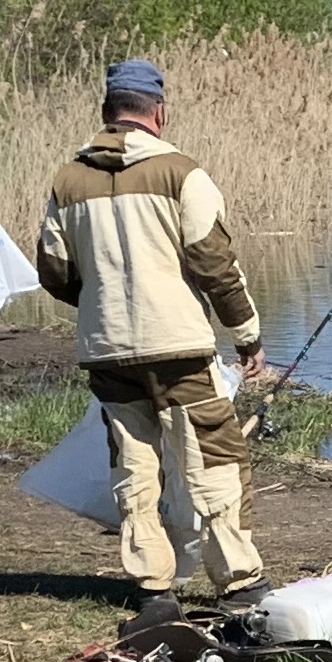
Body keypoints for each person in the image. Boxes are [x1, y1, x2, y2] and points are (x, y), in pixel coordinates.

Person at [36, 58, 269, 629]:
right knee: (214, 457)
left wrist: (102, 304)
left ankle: (153, 587)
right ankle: (239, 583)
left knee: (134, 462)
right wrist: (247, 335)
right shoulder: (182, 173)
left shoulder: (67, 182)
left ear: (106, 111)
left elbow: (54, 271)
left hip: (106, 347)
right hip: (181, 349)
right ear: (158, 112)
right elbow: (215, 265)